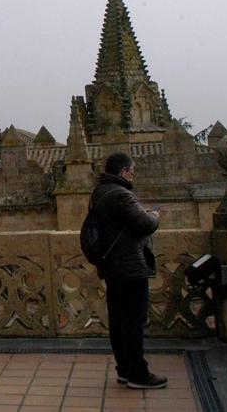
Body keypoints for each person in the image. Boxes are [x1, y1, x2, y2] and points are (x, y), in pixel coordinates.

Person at [91, 152, 165, 390]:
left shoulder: (99, 192)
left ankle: (124, 369)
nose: (133, 175)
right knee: (134, 321)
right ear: (123, 171)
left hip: (112, 267)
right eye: (132, 171)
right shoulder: (120, 194)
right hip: (130, 268)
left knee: (119, 320)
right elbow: (145, 224)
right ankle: (138, 374)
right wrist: (154, 214)